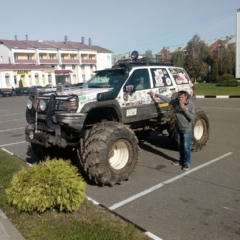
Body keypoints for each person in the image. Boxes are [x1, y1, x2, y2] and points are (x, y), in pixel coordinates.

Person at [148, 90, 195, 170]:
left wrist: (184, 108)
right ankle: (181, 160)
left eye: (181, 97)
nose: (180, 99)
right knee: (180, 146)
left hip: (186, 129)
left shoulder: (190, 105)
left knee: (186, 147)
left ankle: (187, 163)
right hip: (178, 128)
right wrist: (155, 94)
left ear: (185, 97)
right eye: (179, 97)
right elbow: (166, 99)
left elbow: (192, 117)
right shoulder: (175, 103)